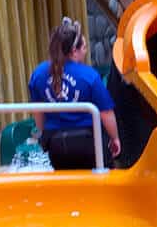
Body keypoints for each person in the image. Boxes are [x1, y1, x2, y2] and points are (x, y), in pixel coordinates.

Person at [29, 17, 121, 169]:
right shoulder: (89, 76)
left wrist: (41, 136)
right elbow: (106, 113)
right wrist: (115, 138)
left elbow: (38, 113)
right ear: (74, 51)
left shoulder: (38, 74)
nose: (85, 51)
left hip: (56, 145)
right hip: (89, 143)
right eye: (84, 48)